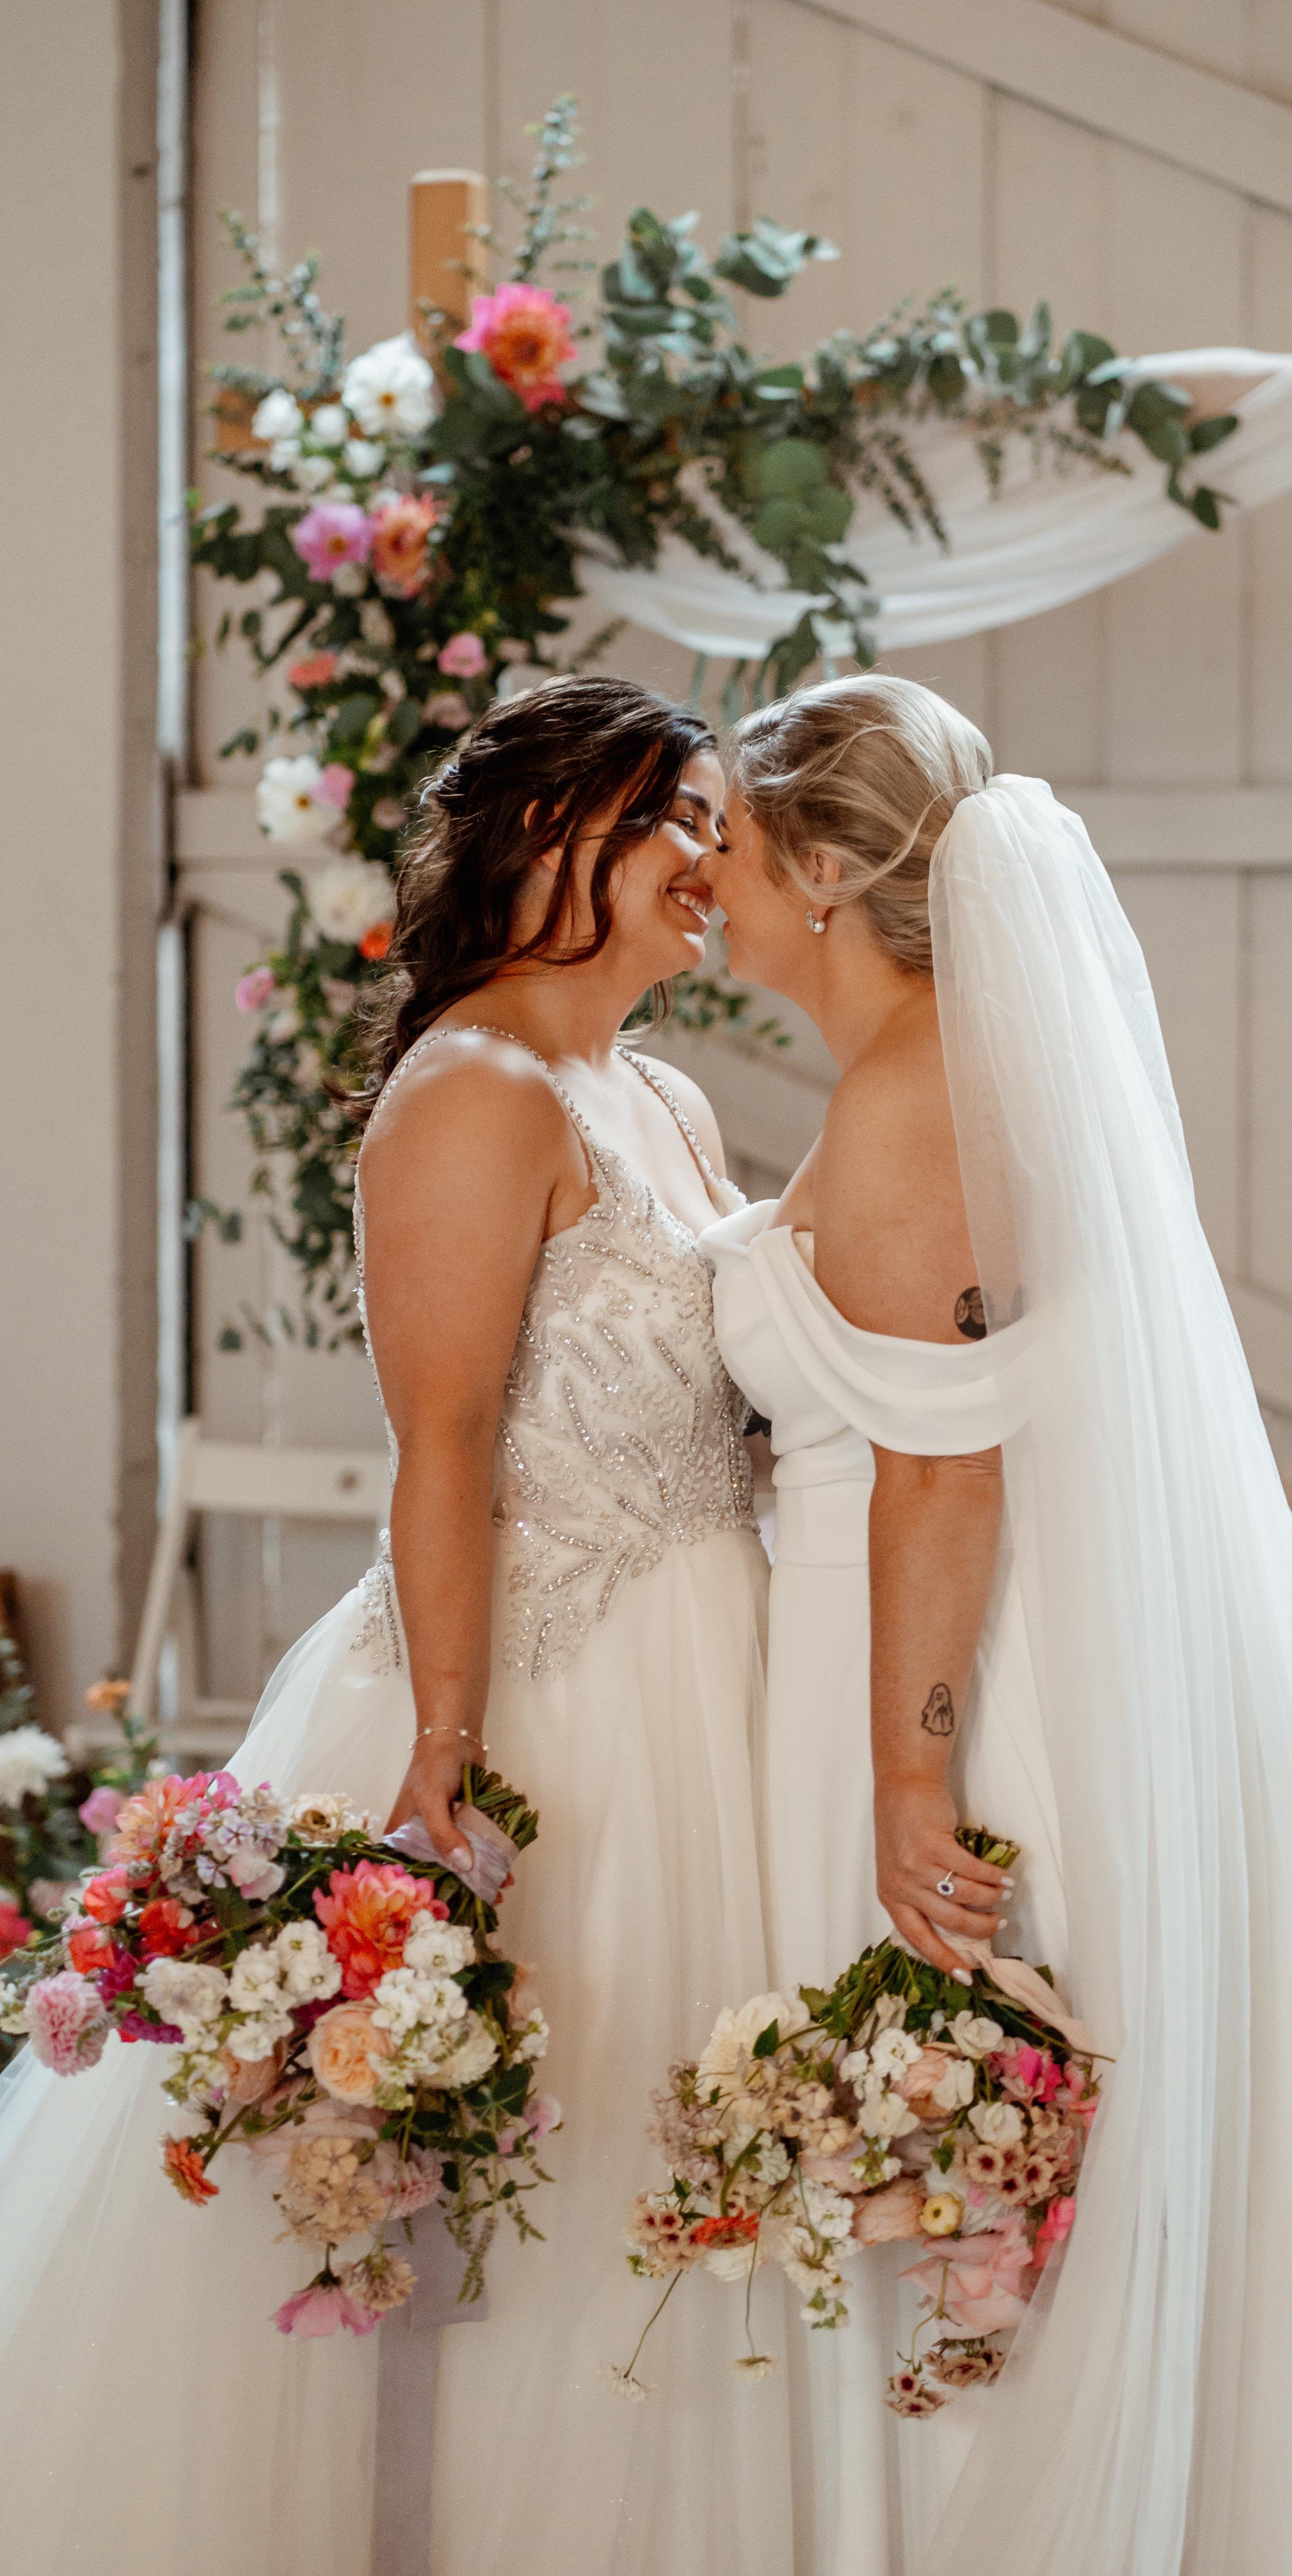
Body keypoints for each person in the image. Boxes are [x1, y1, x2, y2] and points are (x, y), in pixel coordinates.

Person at [0, 676, 791, 2576]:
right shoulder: (471, 1092)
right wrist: (446, 1752)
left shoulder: (664, 1095)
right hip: (537, 1693)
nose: (715, 858)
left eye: (718, 821)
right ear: (555, 833)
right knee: (532, 2160)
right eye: (679, 817)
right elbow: (442, 1448)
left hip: (718, 1671)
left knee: (682, 2155)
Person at [703, 672, 1292, 2576]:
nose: (705, 872)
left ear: (817, 867)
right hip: (901, 1648)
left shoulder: (911, 1098)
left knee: (959, 2142)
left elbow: (944, 1476)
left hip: (927, 1677)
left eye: (730, 837)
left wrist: (908, 1781)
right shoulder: (928, 1075)